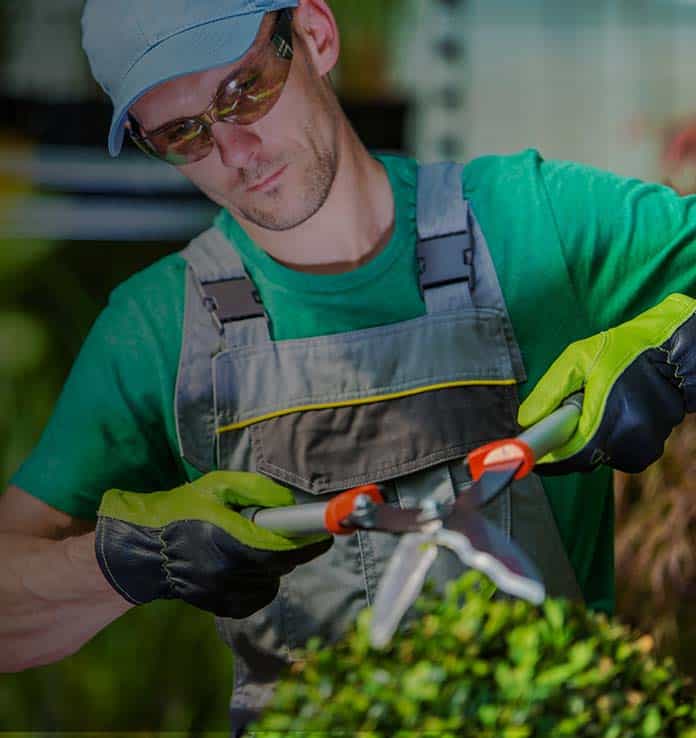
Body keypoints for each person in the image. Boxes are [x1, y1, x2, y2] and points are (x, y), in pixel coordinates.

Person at [2, 0, 696, 733]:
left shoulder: (531, 223)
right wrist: (132, 559)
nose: (236, 150)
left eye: (246, 90)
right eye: (183, 133)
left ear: (314, 34)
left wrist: (680, 349)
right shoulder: (154, 332)